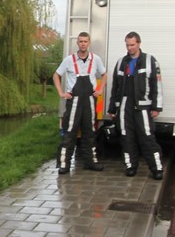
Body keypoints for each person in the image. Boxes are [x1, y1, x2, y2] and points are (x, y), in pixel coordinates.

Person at [107, 31, 165, 179]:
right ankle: (130, 166)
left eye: (132, 45)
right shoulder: (121, 62)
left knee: (147, 138)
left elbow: (156, 85)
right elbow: (115, 87)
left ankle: (156, 169)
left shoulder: (150, 61)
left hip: (143, 107)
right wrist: (112, 108)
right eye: (127, 45)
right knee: (126, 137)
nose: (130, 48)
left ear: (139, 43)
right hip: (124, 107)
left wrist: (156, 107)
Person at [53, 32, 107, 174]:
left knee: (90, 132)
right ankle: (64, 164)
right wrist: (61, 93)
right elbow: (56, 75)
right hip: (74, 101)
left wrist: (100, 89)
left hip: (89, 100)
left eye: (85, 41)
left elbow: (104, 74)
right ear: (77, 43)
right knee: (70, 132)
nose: (83, 44)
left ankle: (90, 162)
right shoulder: (69, 60)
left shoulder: (96, 59)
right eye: (81, 41)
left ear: (89, 43)